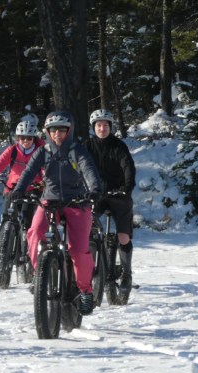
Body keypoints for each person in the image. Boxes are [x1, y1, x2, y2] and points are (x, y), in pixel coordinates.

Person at [11, 111, 102, 315]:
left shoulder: (76, 150)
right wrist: (18, 190)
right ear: (48, 132)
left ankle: (86, 291)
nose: (58, 134)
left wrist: (94, 190)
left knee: (78, 249)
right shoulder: (43, 151)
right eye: (53, 130)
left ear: (69, 131)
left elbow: (89, 171)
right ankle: (39, 274)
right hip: (49, 200)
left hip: (77, 201)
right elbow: (28, 172)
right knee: (34, 231)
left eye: (62, 130)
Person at [85, 109, 136, 299]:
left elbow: (128, 167)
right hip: (95, 195)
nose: (102, 128)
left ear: (110, 127)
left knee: (123, 236)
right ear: (93, 127)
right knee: (87, 229)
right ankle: (89, 272)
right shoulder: (87, 146)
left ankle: (126, 274)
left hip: (118, 194)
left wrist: (126, 188)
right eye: (98, 125)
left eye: (105, 125)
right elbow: (79, 167)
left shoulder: (119, 146)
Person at [0, 119, 46, 227]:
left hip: (32, 188)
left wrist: (44, 181)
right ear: (18, 138)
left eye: (29, 138)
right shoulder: (13, 150)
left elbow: (45, 167)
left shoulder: (39, 151)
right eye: (22, 138)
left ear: (34, 138)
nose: (26, 140)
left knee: (27, 218)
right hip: (12, 188)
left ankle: (25, 240)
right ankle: (5, 239)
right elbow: (0, 163)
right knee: (7, 216)